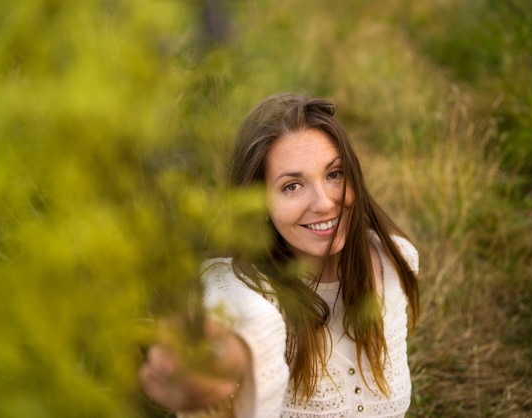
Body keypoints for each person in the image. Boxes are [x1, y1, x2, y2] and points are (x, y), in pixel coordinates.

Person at [139, 92, 420, 418]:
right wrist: (216, 360)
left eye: (334, 174)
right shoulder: (239, 284)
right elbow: (247, 324)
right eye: (292, 186)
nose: (325, 202)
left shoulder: (395, 260)